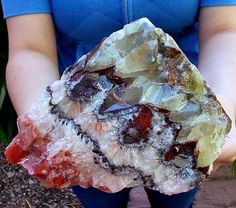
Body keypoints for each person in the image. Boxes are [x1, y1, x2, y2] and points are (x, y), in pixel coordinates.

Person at [1, 1, 236, 208]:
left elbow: (224, 30)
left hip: (184, 121)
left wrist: (222, 107)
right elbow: (30, 48)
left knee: (175, 197)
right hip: (83, 119)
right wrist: (47, 126)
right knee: (99, 197)